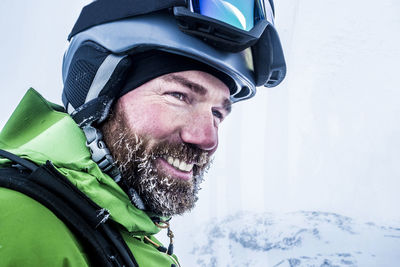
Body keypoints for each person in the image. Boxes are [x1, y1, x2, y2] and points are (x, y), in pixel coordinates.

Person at [0, 0, 286, 266]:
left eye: (217, 113)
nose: (208, 139)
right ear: (98, 95)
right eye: (179, 95)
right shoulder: (16, 221)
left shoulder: (121, 230)